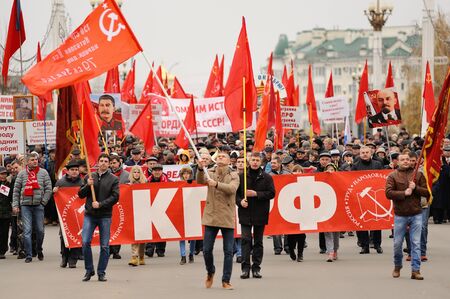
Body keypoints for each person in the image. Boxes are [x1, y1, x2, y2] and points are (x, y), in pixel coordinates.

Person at [197, 151, 239, 290]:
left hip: (227, 215)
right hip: (211, 215)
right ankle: (210, 271)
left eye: (223, 157)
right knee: (207, 249)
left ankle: (225, 280)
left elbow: (232, 189)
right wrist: (199, 168)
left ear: (229, 161)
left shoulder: (234, 174)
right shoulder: (209, 171)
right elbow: (200, 180)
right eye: (218, 156)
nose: (220, 158)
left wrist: (216, 184)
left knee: (228, 251)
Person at [385, 153, 429, 280]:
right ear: (397, 162)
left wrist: (416, 188)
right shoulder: (392, 176)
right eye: (403, 159)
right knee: (397, 243)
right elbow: (388, 193)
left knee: (415, 243)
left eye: (408, 159)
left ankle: (416, 270)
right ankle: (397, 265)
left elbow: (427, 192)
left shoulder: (419, 175)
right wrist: (404, 193)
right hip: (400, 214)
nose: (406, 161)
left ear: (411, 161)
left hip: (416, 213)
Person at [78, 154, 120, 282]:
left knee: (104, 246)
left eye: (106, 161)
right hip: (90, 215)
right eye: (101, 161)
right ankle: (89, 270)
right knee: (85, 242)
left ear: (109, 164)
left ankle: (101, 272)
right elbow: (80, 194)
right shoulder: (89, 176)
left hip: (105, 216)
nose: (103, 163)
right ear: (97, 162)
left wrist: (100, 204)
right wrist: (87, 185)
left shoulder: (113, 179)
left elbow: (115, 197)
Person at [236, 152, 275, 279]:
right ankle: (245, 268)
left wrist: (256, 194)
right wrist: (240, 201)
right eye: (253, 160)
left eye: (257, 160)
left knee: (258, 242)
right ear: (249, 160)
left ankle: (256, 268)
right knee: (246, 240)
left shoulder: (267, 177)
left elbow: (271, 193)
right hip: (245, 213)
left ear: (261, 162)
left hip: (260, 213)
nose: (255, 162)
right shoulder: (241, 177)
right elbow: (235, 195)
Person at [12, 153, 52, 263]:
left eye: (36, 159)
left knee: (40, 230)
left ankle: (39, 249)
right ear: (27, 162)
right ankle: (29, 254)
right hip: (25, 206)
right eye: (32, 160)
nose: (35, 161)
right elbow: (16, 191)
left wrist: (43, 202)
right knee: (27, 231)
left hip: (39, 205)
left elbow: (49, 189)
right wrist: (15, 205)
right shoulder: (21, 174)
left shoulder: (43, 173)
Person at [351, 146, 384, 254]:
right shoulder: (355, 166)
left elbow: (382, 179)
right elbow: (351, 181)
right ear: (359, 154)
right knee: (362, 222)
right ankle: (364, 246)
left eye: (367, 152)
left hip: (375, 196)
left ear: (371, 153)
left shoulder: (377, 164)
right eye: (362, 152)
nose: (365, 154)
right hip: (361, 197)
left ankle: (377, 244)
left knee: (377, 222)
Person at [53, 160, 84, 268]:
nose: (75, 172)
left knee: (76, 236)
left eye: (76, 170)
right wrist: (55, 192)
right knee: (64, 236)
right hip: (65, 215)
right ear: (68, 171)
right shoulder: (61, 183)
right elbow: (56, 201)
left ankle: (73, 259)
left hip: (77, 215)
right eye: (72, 170)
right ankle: (64, 257)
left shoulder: (82, 182)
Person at [145, 164, 169, 257]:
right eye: (155, 170)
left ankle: (160, 249)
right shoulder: (146, 182)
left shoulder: (168, 182)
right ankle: (149, 249)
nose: (157, 172)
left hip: (163, 208)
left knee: (162, 230)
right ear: (152, 171)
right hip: (150, 208)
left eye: (159, 170)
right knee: (150, 229)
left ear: (162, 171)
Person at [127, 166, 147, 267]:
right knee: (134, 236)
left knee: (142, 237)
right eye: (134, 172)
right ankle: (134, 257)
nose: (136, 174)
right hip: (133, 212)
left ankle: (141, 256)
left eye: (138, 172)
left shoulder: (145, 184)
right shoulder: (128, 185)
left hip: (143, 212)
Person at [178, 166, 196, 265]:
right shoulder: (178, 184)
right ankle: (183, 256)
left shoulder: (194, 184)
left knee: (192, 237)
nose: (186, 175)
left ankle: (191, 254)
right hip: (181, 212)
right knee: (181, 236)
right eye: (184, 173)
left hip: (192, 212)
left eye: (187, 173)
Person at [324, 163, 340, 262]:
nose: (330, 171)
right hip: (325, 209)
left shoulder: (339, 179)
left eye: (332, 169)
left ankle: (335, 250)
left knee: (336, 232)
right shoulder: (322, 180)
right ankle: (330, 252)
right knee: (327, 231)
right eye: (328, 169)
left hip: (337, 210)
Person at [0, 166, 13, 259]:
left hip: (5, 212)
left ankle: (2, 250)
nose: (3, 175)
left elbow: (11, 197)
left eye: (5, 174)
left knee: (4, 233)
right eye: (2, 174)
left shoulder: (8, 184)